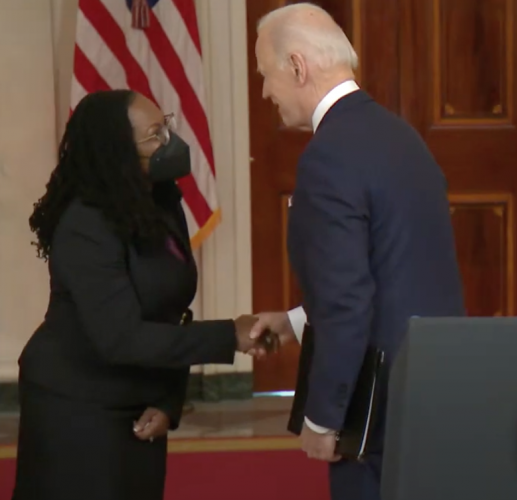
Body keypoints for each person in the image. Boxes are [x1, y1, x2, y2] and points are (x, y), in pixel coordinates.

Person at [249, 4, 465, 499]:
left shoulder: (329, 156)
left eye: (266, 75)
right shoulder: (400, 136)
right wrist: (297, 321)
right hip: (433, 387)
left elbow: (348, 301)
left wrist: (324, 417)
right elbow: (393, 268)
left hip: (376, 409)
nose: (265, 91)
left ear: (298, 67)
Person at [13, 90, 270, 500]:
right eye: (155, 134)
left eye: (165, 125)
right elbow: (123, 337)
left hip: (138, 402)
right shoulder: (85, 225)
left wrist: (168, 399)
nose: (169, 141)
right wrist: (230, 335)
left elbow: (170, 312)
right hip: (76, 405)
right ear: (117, 152)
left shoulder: (161, 202)